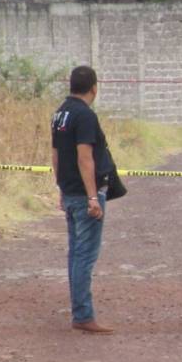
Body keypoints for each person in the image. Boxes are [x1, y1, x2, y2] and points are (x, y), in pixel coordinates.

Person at [52, 65, 114, 334]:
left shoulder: (60, 113)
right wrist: (92, 197)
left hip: (70, 192)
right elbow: (84, 157)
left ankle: (80, 311)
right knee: (85, 257)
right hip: (83, 194)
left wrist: (61, 188)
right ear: (94, 88)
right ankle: (83, 314)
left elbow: (56, 155)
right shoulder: (85, 115)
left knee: (76, 254)